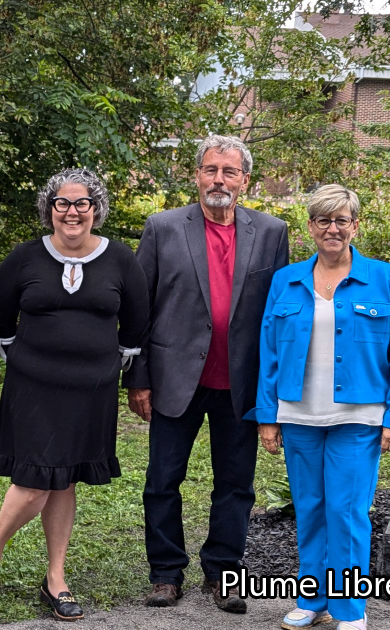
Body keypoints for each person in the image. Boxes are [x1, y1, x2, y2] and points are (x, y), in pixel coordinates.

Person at [0, 168, 149, 621]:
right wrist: (29, 360)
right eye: (62, 203)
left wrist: (115, 362)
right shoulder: (25, 257)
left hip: (92, 389)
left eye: (81, 203)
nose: (72, 212)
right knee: (33, 482)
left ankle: (56, 577)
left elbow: (135, 320)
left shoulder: (121, 259)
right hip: (33, 386)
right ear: (49, 208)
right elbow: (3, 318)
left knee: (66, 479)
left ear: (96, 209)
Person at [248, 184, 390, 630]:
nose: (333, 228)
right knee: (309, 508)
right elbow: (268, 352)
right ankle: (312, 599)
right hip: (299, 415)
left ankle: (349, 609)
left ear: (355, 225)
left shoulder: (384, 278)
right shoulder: (286, 280)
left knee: (346, 513)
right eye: (324, 220)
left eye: (341, 220)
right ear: (311, 227)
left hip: (359, 417)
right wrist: (267, 417)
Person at [124, 135, 289, 612]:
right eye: (211, 169)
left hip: (242, 383)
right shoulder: (163, 227)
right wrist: (137, 377)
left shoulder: (273, 232)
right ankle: (165, 573)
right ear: (196, 174)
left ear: (245, 180)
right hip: (175, 378)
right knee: (161, 480)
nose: (219, 179)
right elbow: (140, 309)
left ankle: (224, 573)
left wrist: (274, 389)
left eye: (229, 171)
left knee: (236, 484)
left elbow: (278, 315)